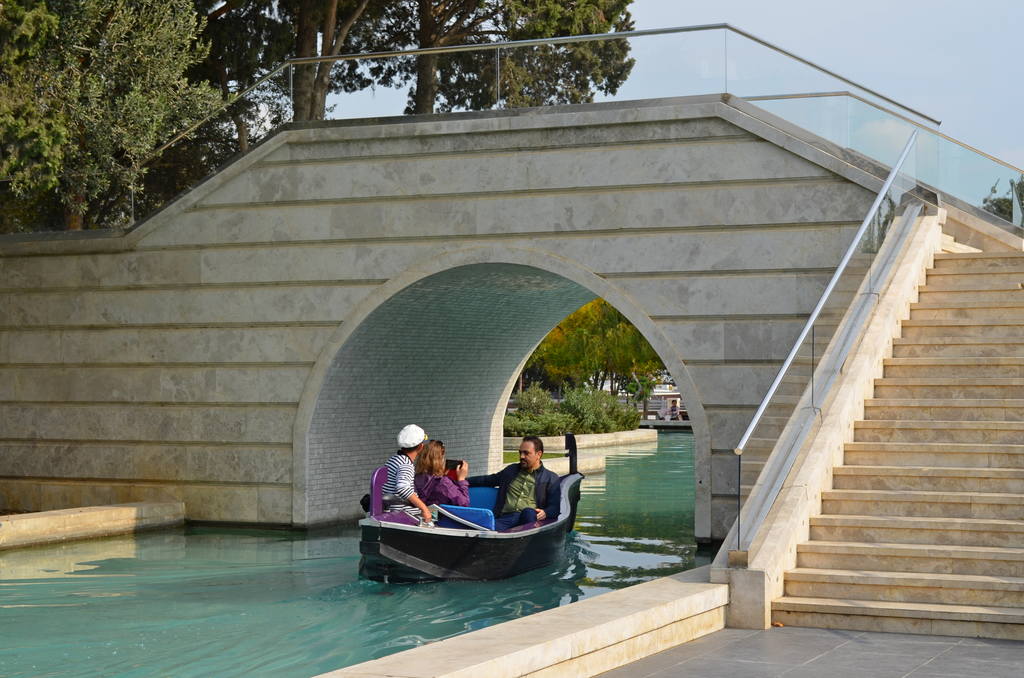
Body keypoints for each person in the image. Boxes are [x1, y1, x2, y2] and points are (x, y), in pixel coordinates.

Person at [468, 435, 560, 531]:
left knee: (528, 512)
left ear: (539, 454)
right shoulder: (511, 471)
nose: (521, 456)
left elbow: (555, 507)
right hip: (506, 518)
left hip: (530, 519)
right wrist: (463, 481)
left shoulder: (551, 478)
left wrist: (546, 512)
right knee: (483, 529)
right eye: (520, 452)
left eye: (526, 453)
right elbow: (488, 480)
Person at [382, 424, 434, 523]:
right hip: (405, 516)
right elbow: (402, 487)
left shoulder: (394, 459)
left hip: (393, 511)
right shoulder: (406, 465)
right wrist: (424, 509)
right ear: (421, 447)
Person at [414, 440, 469, 507]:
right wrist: (461, 480)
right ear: (440, 460)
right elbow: (464, 503)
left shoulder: (415, 479)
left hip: (423, 512)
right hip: (442, 513)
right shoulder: (443, 483)